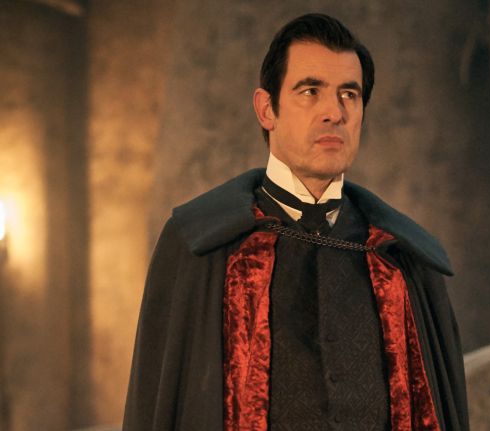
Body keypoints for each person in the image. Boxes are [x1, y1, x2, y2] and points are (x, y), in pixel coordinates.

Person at [123, 13, 469, 431]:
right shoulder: (200, 246)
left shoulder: (403, 259)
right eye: (310, 91)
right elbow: (159, 407)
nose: (334, 112)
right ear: (267, 109)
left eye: (349, 94)